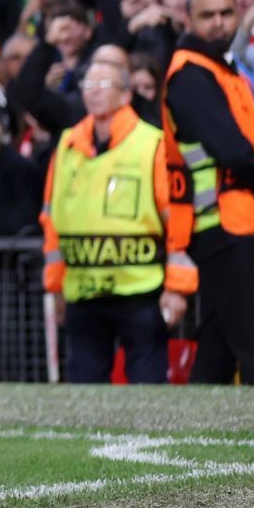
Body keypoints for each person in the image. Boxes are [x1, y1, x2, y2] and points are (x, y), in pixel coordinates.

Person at [161, 0, 254, 385]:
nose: (219, 22)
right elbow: (231, 149)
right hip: (224, 224)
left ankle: (192, 434)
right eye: (208, 15)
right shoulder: (190, 74)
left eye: (226, 13)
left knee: (219, 350)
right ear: (189, 20)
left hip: (235, 223)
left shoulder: (223, 70)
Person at [41, 60, 195, 384]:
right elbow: (52, 222)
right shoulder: (67, 145)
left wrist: (177, 287)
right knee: (84, 390)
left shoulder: (151, 144)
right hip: (83, 292)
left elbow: (177, 220)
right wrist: (55, 286)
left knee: (146, 389)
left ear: (126, 95)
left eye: (103, 85)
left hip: (139, 290)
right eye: (88, 85)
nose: (93, 93)